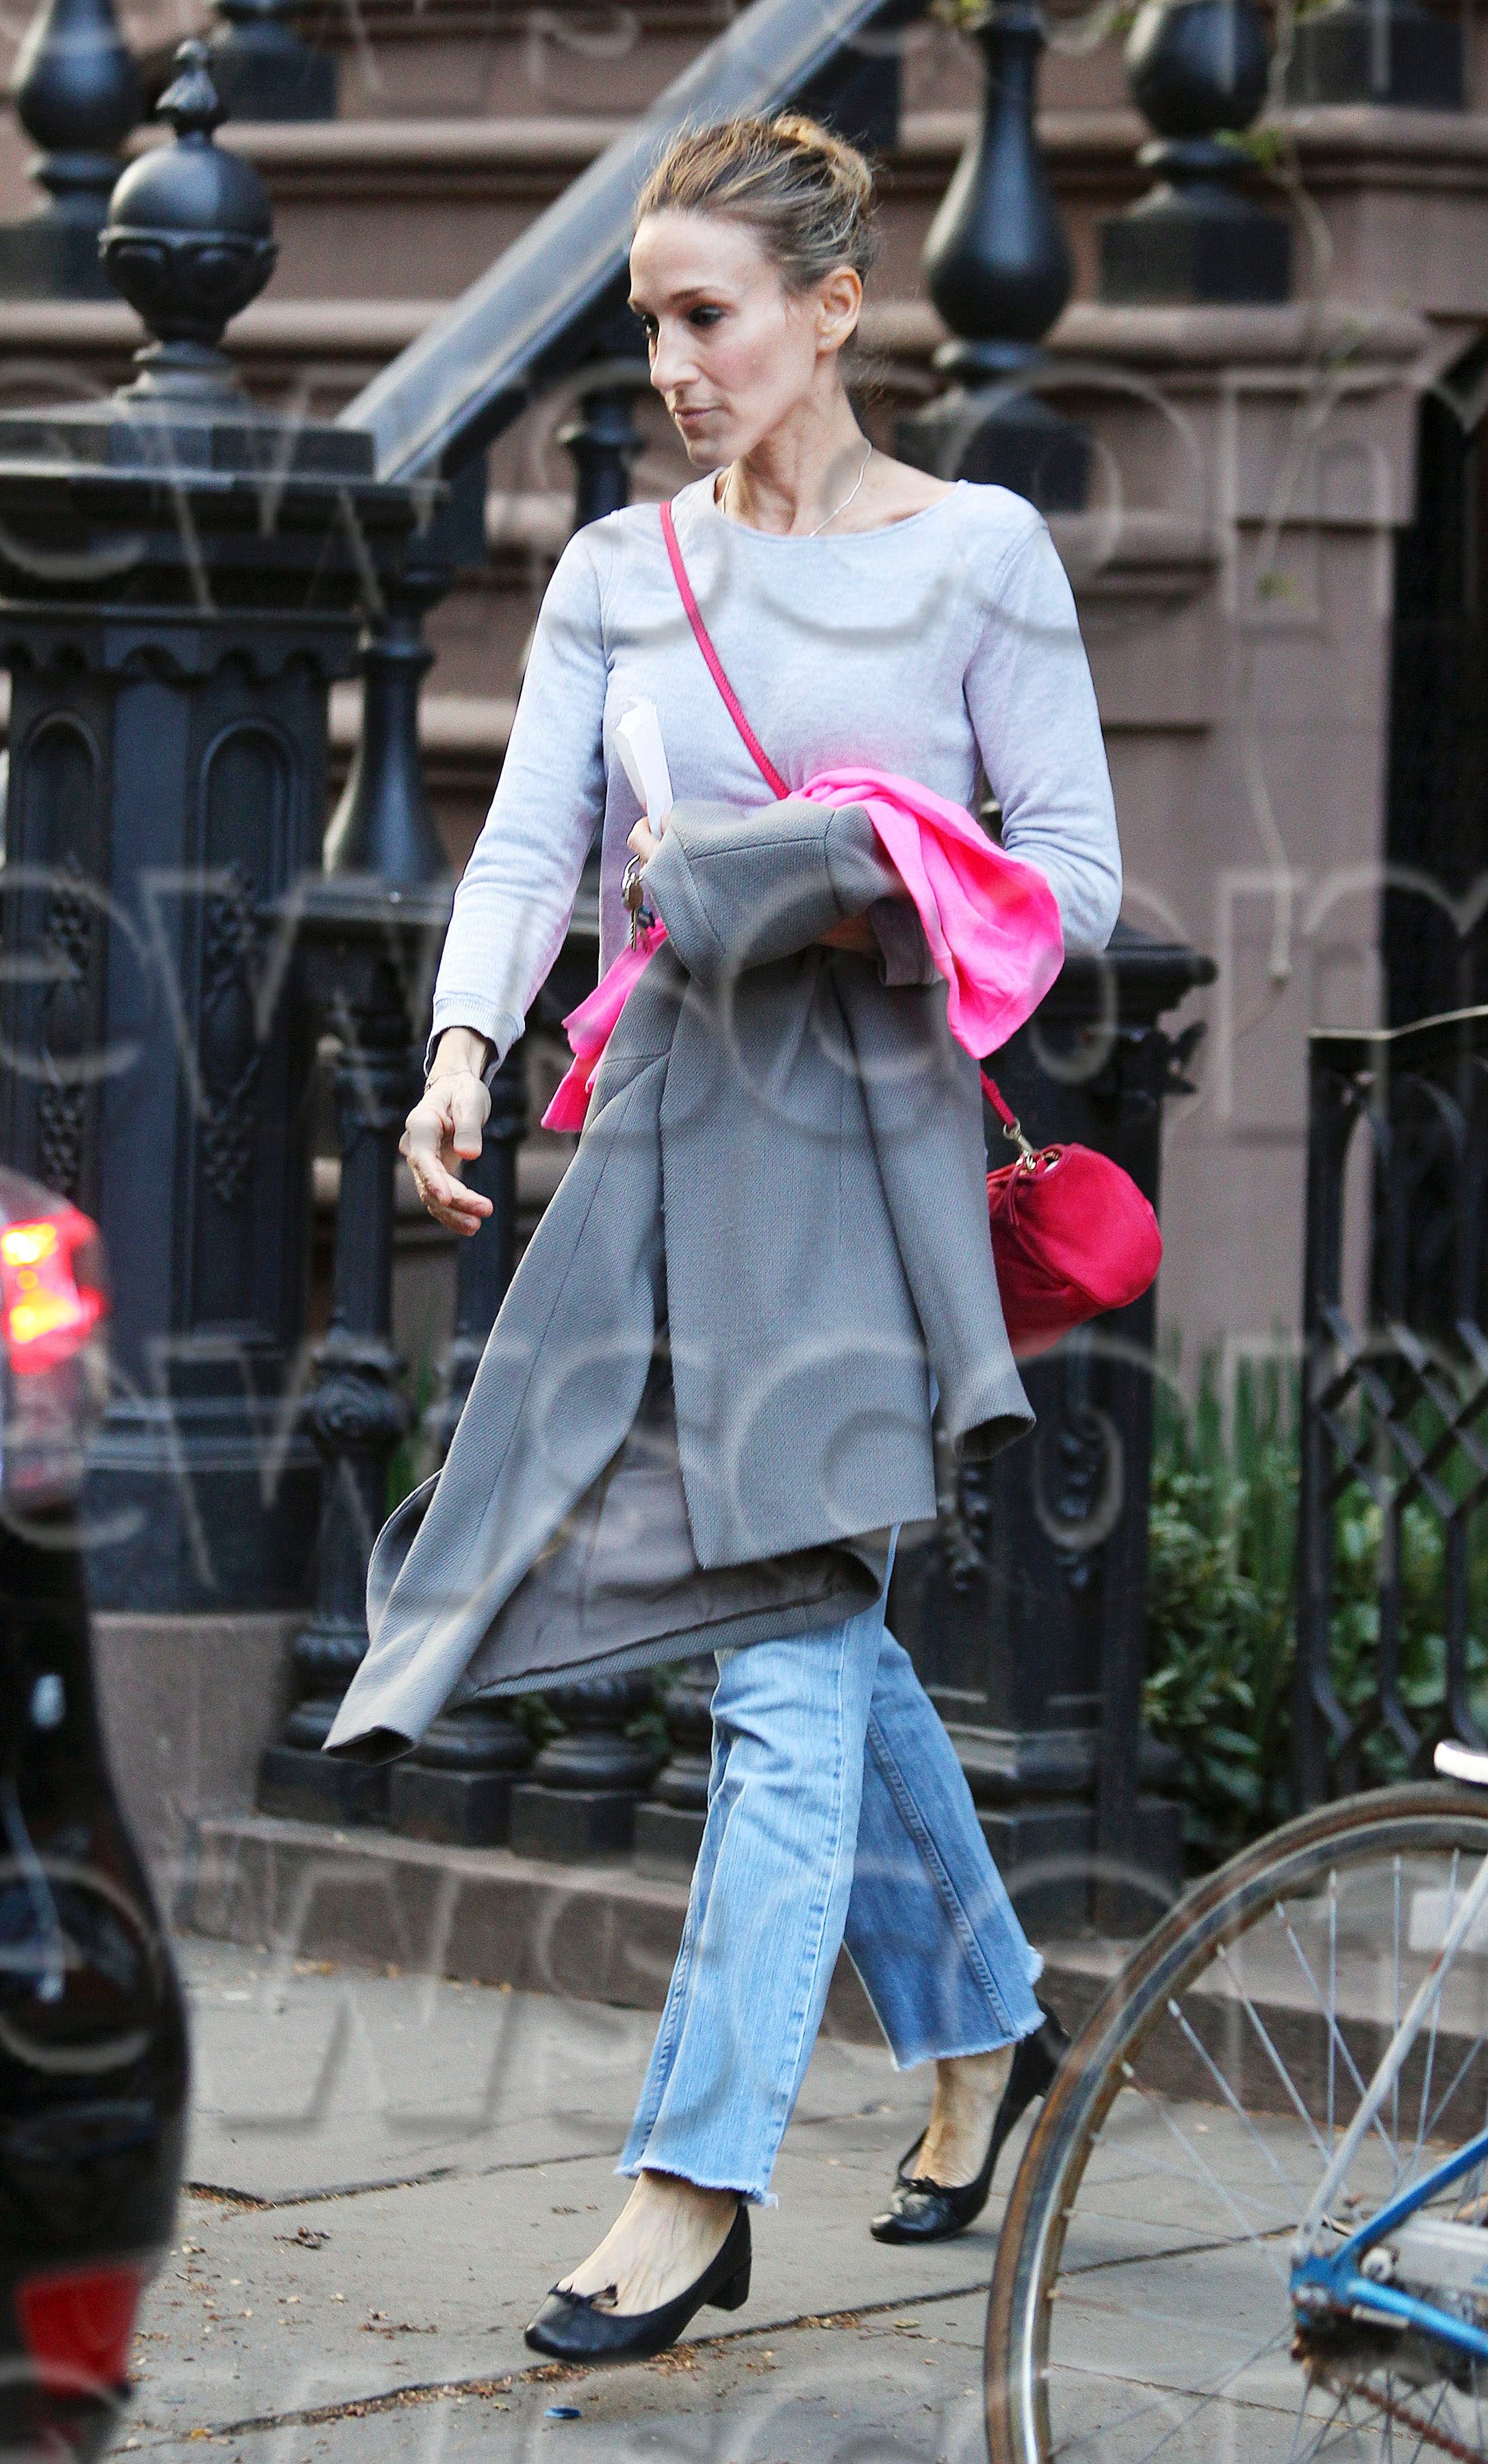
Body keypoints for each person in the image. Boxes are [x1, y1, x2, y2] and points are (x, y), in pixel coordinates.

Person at [324, 111, 1122, 2363]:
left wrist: (841, 871)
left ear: (834, 309)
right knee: (811, 1619)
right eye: (651, 324)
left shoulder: (980, 556)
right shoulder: (613, 570)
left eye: (712, 316)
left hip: (859, 1155)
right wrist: (465, 1049)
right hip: (666, 1146)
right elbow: (527, 849)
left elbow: (1068, 882)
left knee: (778, 1652)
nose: (675, 363)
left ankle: (694, 2178)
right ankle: (988, 2029)